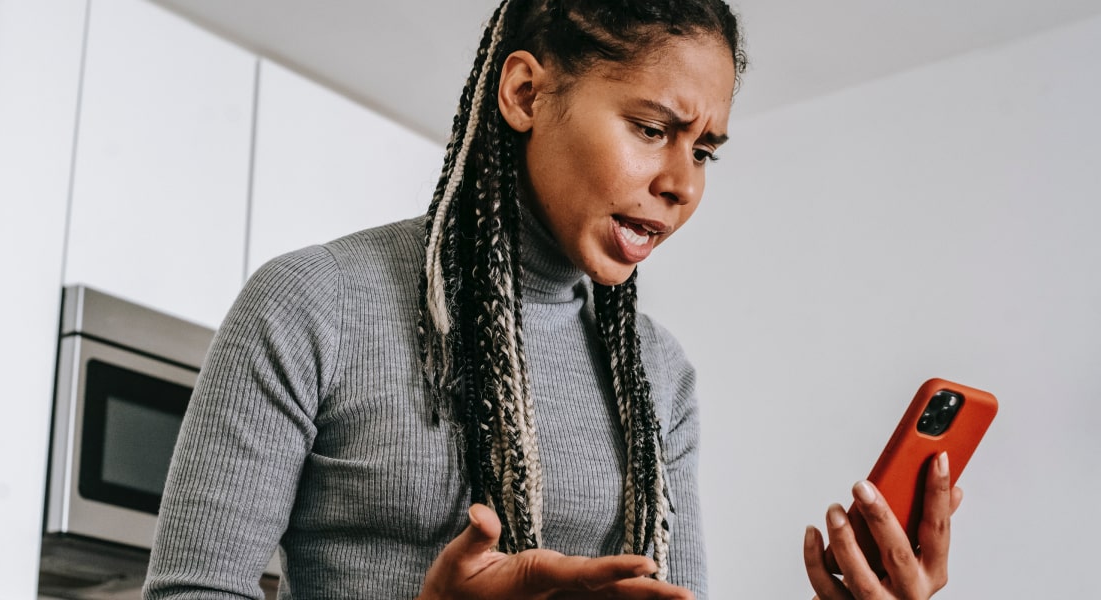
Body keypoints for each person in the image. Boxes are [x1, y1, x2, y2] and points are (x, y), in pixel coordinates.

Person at [144, 1, 961, 598]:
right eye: (651, 129)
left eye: (705, 150)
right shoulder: (309, 306)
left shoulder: (659, 376)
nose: (680, 185)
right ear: (526, 95)